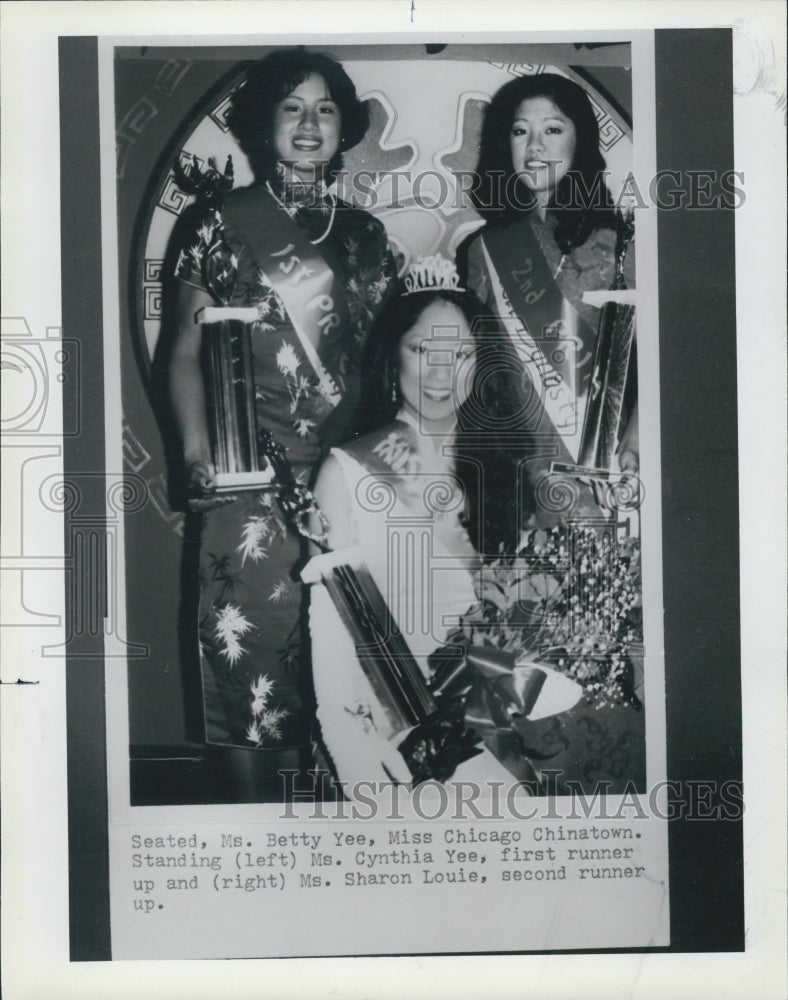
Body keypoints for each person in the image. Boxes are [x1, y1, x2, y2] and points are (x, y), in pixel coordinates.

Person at [168, 49, 396, 801]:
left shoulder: (366, 236)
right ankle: (250, 842)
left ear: (345, 127)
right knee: (249, 675)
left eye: (325, 108)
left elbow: (384, 362)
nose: (309, 124)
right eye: (292, 107)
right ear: (264, 122)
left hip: (343, 481)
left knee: (351, 666)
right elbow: (183, 350)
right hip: (245, 483)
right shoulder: (216, 223)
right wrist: (199, 457)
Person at [305, 261, 582, 798]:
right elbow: (333, 638)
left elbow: (519, 620)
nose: (439, 374)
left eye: (460, 355)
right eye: (421, 351)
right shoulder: (346, 470)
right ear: (392, 355)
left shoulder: (507, 470)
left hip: (487, 726)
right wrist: (358, 763)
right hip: (389, 735)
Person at [458, 72, 638, 523]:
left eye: (552, 130)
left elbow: (662, 364)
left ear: (581, 141)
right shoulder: (484, 250)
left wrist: (635, 445)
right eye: (521, 131)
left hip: (607, 468)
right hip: (519, 473)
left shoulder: (622, 245)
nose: (534, 146)